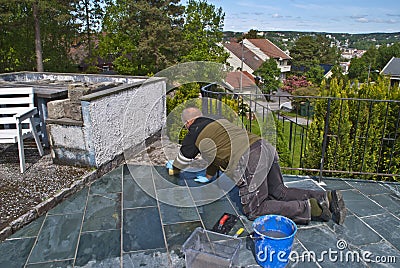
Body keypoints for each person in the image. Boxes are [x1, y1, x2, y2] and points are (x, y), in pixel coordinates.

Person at [166, 107, 346, 224]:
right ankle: (326, 197)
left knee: (255, 210)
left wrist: (173, 170)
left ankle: (310, 208)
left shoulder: (193, 133)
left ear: (188, 123)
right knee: (279, 192)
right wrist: (207, 176)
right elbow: (215, 154)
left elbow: (182, 160)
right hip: (265, 147)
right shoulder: (218, 123)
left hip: (249, 157)